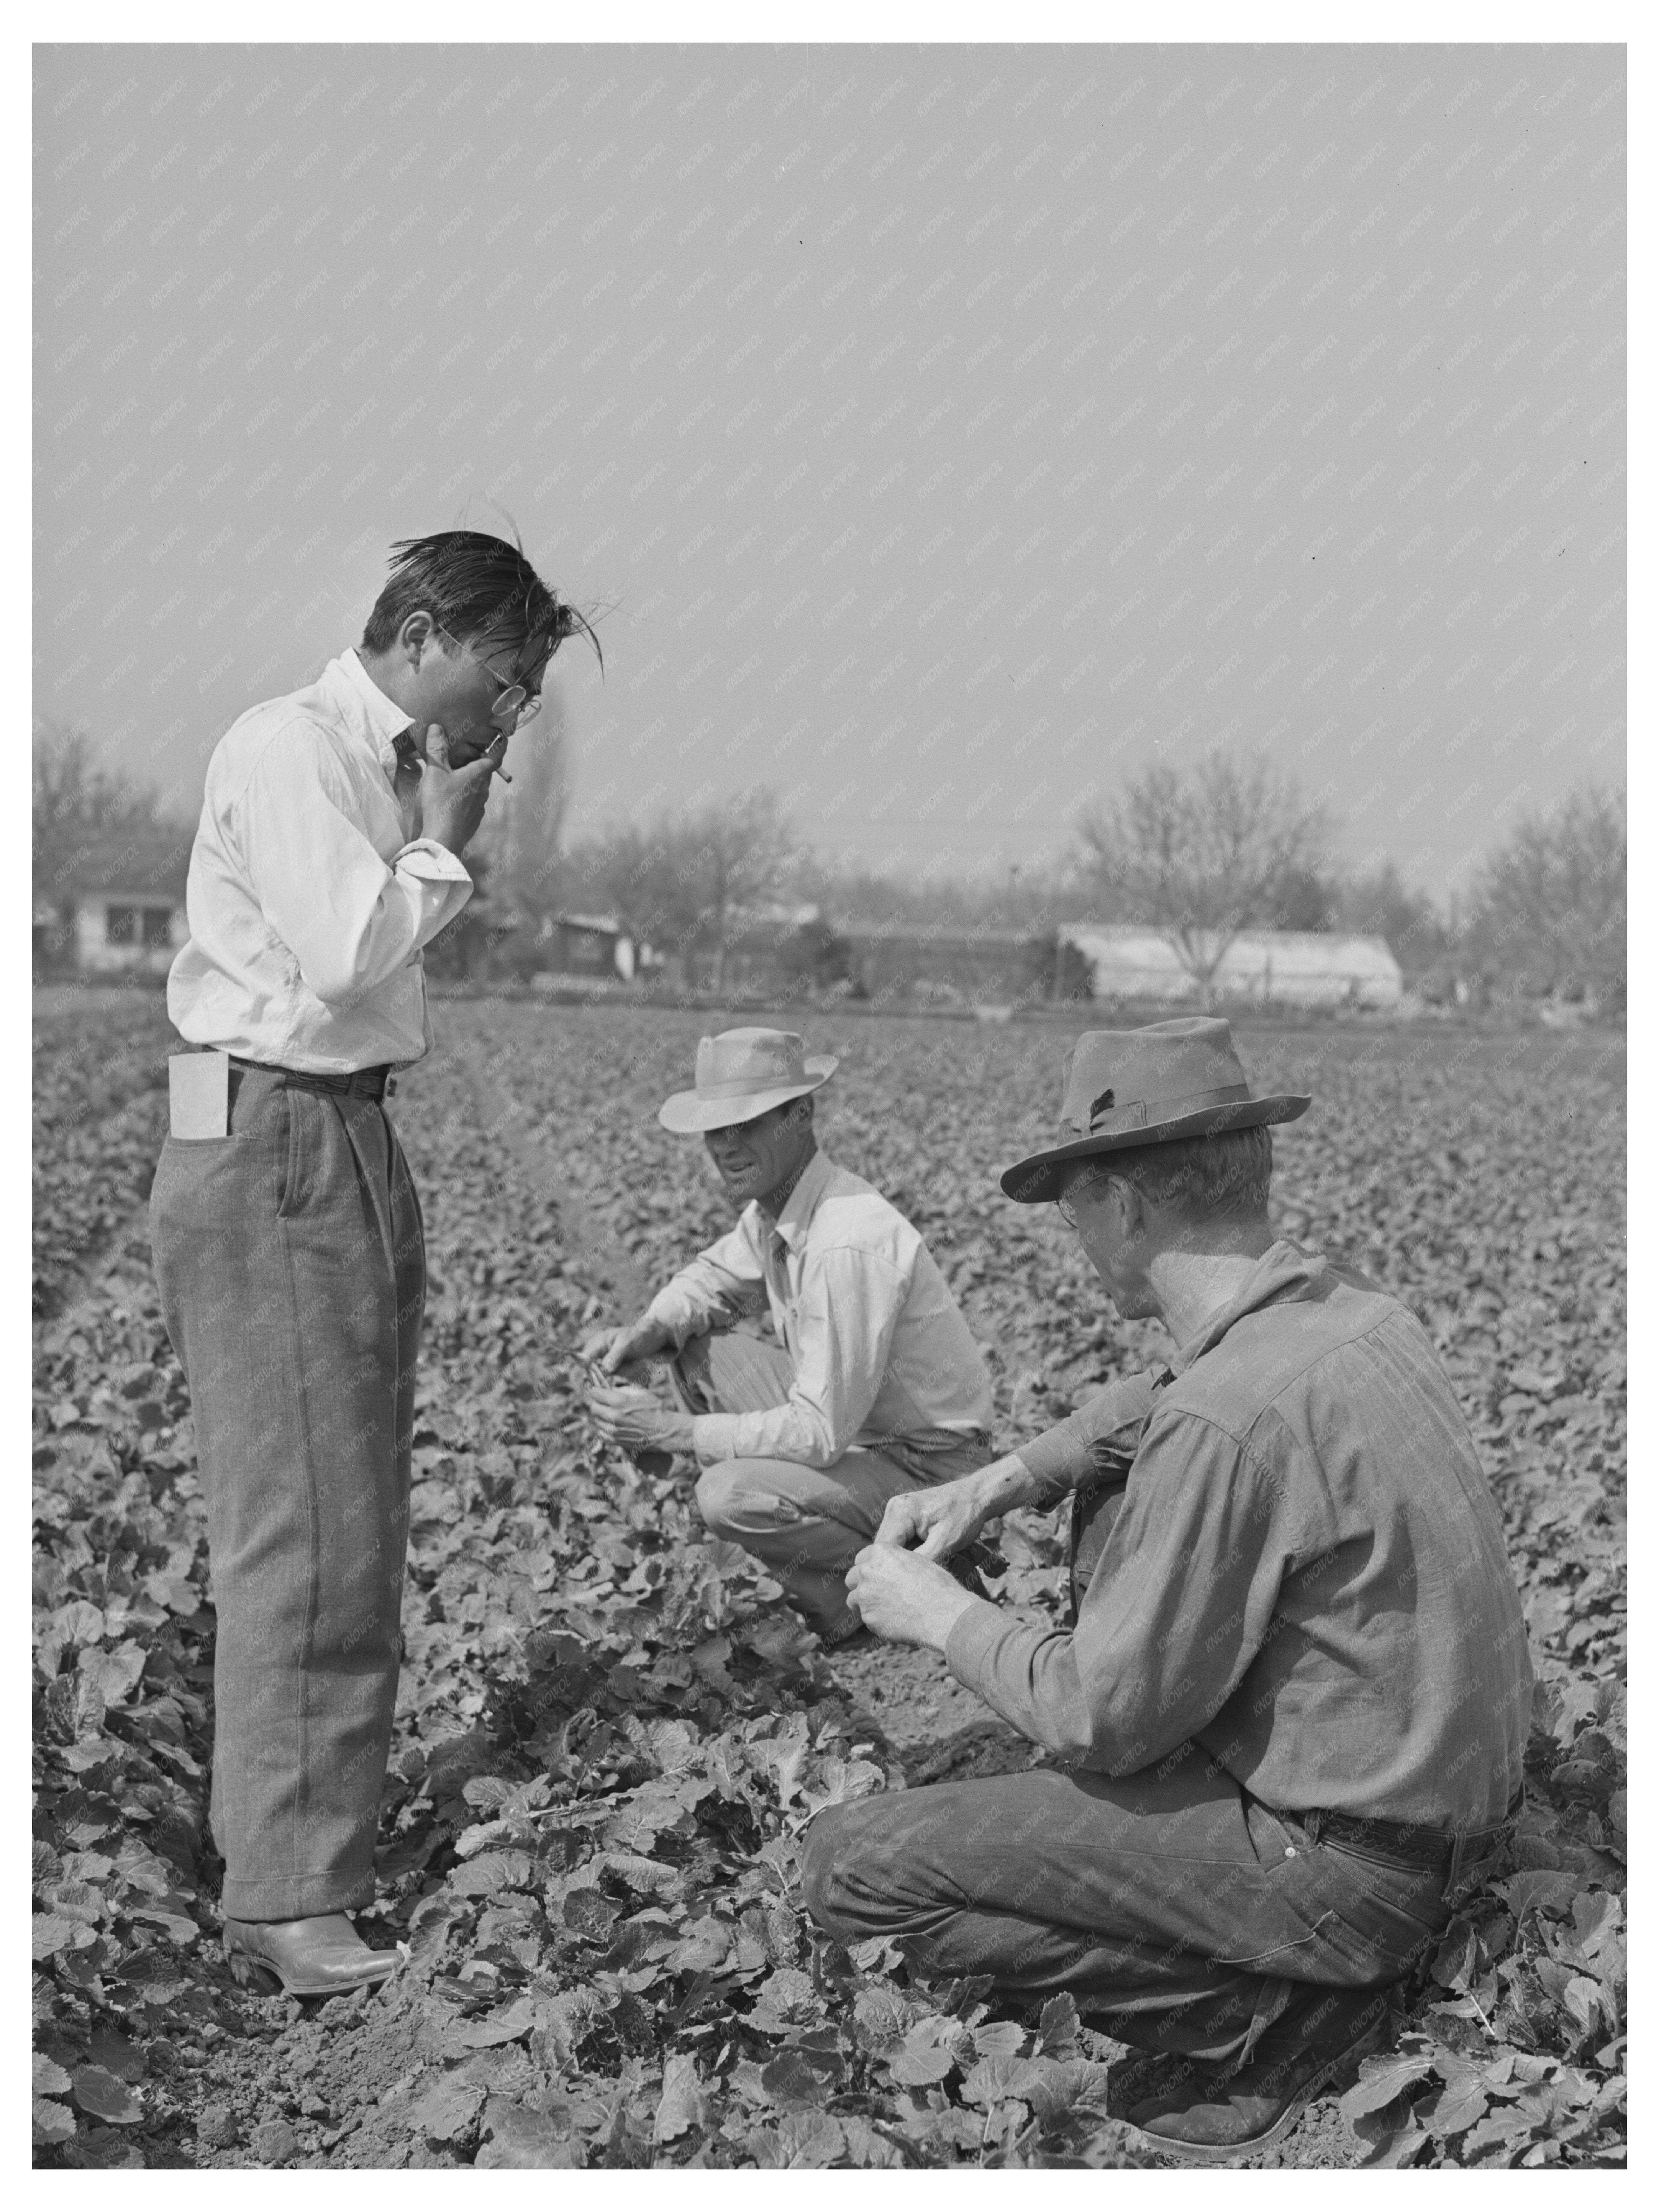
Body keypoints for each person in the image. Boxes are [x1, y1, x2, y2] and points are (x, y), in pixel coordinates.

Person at [801, 1017, 1533, 2162]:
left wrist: (933, 1608)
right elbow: (1153, 1397)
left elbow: (1102, 1718)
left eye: (1074, 1205)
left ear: (1128, 1207)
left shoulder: (1224, 1423)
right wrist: (1001, 1481)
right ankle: (1294, 1958)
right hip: (1447, 1826)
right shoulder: (1350, 1316)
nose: (1072, 1234)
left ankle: (1258, 2008)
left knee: (851, 1866)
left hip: (1344, 1871)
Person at [150, 531, 596, 1997]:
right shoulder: (295, 749)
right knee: (311, 1518)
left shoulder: (373, 764)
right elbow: (348, 953)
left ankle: (298, 1850)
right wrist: (445, 836)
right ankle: (287, 1892)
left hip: (328, 1133)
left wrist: (436, 826)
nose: (511, 710)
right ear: (421, 632)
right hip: (277, 1135)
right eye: (506, 673)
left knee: (344, 1501)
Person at [582, 1026, 995, 1646]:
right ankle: (841, 1557)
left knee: (727, 1493)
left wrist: (673, 1432)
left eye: (746, 1124)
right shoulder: (780, 1206)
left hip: (928, 1467)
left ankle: (857, 1603)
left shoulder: (845, 1239)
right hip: (864, 1435)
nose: (726, 1145)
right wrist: (648, 1330)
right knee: (696, 1350)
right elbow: (715, 1277)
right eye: (715, 1129)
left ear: (801, 1115)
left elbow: (819, 1431)